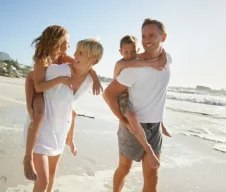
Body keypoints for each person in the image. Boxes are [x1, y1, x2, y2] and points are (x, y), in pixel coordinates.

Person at [24, 34, 104, 192]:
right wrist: (29, 108)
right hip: (41, 129)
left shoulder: (89, 80)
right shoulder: (60, 70)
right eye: (76, 51)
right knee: (43, 182)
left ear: (92, 60)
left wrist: (70, 138)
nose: (74, 55)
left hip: (60, 131)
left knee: (52, 175)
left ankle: (68, 141)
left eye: (80, 53)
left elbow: (71, 109)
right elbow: (31, 78)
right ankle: (27, 158)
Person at [103, 18, 172, 192]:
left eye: (152, 35)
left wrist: (161, 121)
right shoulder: (132, 69)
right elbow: (108, 94)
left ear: (163, 37)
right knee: (124, 169)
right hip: (132, 126)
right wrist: (123, 120)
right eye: (143, 36)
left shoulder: (167, 59)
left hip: (154, 127)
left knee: (152, 178)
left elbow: (159, 93)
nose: (147, 39)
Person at [113, 35, 171, 169]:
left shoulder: (138, 60)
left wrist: (163, 54)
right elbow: (130, 64)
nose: (130, 55)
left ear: (138, 50)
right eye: (126, 52)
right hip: (121, 95)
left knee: (152, 101)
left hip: (133, 95)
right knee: (132, 117)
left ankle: (161, 124)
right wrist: (153, 63)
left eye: (133, 51)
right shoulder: (121, 63)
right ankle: (148, 149)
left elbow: (159, 49)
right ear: (120, 52)